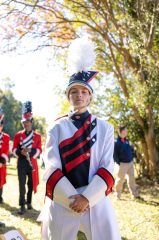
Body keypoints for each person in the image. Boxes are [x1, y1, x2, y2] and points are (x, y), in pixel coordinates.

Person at [38, 38, 121, 240]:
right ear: (68, 96)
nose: (79, 95)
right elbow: (51, 167)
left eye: (84, 91)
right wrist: (72, 199)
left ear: (90, 97)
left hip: (95, 200)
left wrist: (87, 198)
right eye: (74, 91)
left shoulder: (105, 128)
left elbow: (107, 166)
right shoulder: (56, 127)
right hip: (64, 199)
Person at [12, 101, 42, 215]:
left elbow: (39, 149)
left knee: (30, 184)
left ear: (31, 122)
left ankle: (29, 202)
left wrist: (31, 151)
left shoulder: (37, 136)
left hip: (32, 162)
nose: (26, 124)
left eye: (28, 121)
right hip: (21, 162)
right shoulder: (18, 135)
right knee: (22, 184)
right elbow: (14, 149)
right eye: (24, 122)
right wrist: (21, 152)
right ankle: (22, 205)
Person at [114, 125, 139, 200]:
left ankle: (134, 195)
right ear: (121, 132)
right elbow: (114, 155)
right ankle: (117, 195)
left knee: (131, 179)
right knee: (120, 180)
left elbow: (131, 150)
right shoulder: (116, 142)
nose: (127, 132)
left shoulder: (127, 141)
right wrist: (119, 163)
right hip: (122, 164)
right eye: (125, 130)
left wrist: (133, 156)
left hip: (130, 163)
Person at [0, 107, 10, 204]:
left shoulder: (6, 137)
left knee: (1, 180)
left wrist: (2, 160)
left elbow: (6, 149)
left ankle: (0, 197)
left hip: (1, 163)